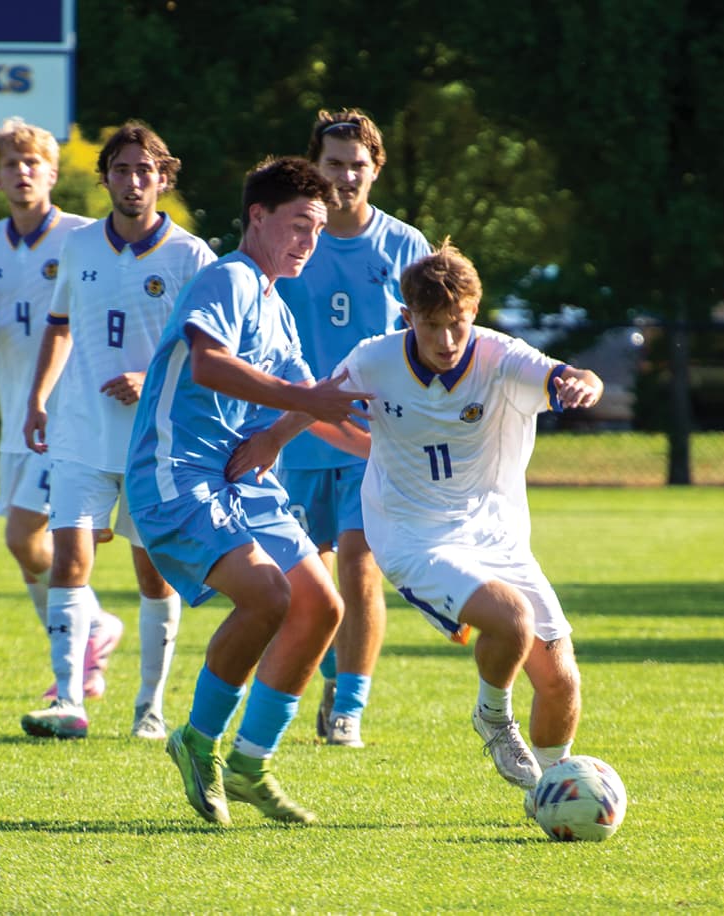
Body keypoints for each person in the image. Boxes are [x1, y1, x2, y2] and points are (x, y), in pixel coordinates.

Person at [126, 156, 372, 826]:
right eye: (298, 225)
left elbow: (315, 405)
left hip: (238, 480)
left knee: (320, 605)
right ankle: (197, 740)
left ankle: (249, 763)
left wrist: (392, 452)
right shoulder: (229, 278)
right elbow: (210, 364)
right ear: (257, 217)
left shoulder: (276, 307)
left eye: (317, 230)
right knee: (268, 595)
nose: (309, 241)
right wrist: (306, 401)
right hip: (177, 473)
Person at [311, 239, 600, 806]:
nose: (446, 341)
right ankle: (493, 718)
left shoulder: (501, 356)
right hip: (411, 535)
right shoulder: (373, 359)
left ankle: (551, 792)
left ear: (475, 313)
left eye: (458, 325)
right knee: (511, 620)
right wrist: (269, 442)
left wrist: (585, 382)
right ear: (407, 317)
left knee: (561, 679)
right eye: (432, 326)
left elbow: (571, 375)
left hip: (497, 536)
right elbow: (314, 405)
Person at [19, 121, 215, 740]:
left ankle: (149, 708)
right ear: (105, 178)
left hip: (155, 442)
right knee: (69, 558)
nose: (133, 181)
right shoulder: (77, 245)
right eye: (122, 170)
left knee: (152, 573)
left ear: (164, 178)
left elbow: (211, 351)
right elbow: (58, 325)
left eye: (144, 171)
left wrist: (148, 375)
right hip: (80, 430)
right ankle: (68, 700)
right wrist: (37, 399)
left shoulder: (192, 256)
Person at [274, 109, 438, 750]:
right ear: (314, 167)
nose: (345, 177)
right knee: (305, 583)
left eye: (357, 166)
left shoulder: (405, 245)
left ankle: (349, 709)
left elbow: (435, 340)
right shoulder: (290, 236)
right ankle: (322, 681)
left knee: (359, 566)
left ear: (376, 170)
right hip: (293, 436)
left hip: (374, 440)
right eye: (333, 164)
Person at [0, 118, 119, 700]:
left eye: (32, 163)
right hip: (18, 413)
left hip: (69, 414)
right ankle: (87, 648)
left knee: (23, 536)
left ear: (52, 173)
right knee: (29, 555)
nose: (22, 172)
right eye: (11, 164)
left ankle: (92, 633)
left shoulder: (82, 235)